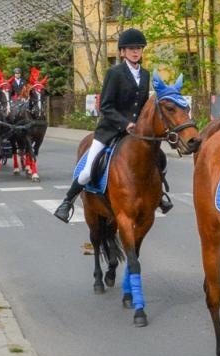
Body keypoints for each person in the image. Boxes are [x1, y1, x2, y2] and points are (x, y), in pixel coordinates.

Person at [55, 28, 156, 222]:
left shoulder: (145, 74)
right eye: (131, 48)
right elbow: (106, 106)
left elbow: (142, 104)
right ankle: (67, 201)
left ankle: (160, 197)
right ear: (122, 52)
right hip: (110, 130)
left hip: (135, 133)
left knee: (158, 159)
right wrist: (125, 123)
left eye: (138, 48)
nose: (135, 52)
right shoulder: (115, 73)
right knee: (89, 168)